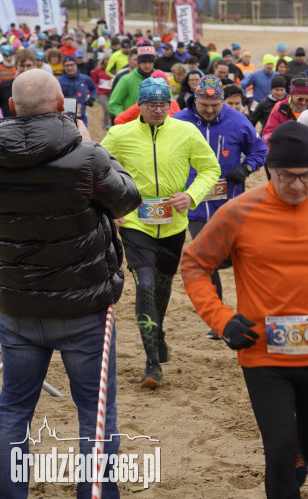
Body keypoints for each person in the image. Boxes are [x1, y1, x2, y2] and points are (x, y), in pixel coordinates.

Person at [180, 121, 308, 499]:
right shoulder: (239, 211)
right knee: (277, 450)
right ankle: (287, 456)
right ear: (269, 170)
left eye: (306, 175)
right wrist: (222, 320)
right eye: (287, 176)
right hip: (262, 352)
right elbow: (194, 265)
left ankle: (303, 451)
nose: (298, 185)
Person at [0, 70, 141, 499]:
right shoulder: (87, 155)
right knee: (95, 415)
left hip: (17, 305)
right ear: (63, 105)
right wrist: (93, 146)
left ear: (11, 108)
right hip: (84, 307)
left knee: (13, 410)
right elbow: (127, 199)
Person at [101, 77, 221, 388]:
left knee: (163, 287)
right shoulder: (120, 134)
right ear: (140, 106)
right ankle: (152, 363)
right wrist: (112, 207)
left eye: (163, 104)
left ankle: (158, 332)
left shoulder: (186, 132)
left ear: (170, 105)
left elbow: (211, 169)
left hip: (173, 224)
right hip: (136, 223)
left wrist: (191, 196)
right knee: (145, 285)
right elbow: (97, 170)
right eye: (152, 104)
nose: (158, 109)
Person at [173, 75, 267, 337]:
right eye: (204, 105)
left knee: (240, 257)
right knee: (207, 260)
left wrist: (245, 169)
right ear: (195, 100)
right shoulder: (179, 121)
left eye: (215, 105)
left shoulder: (238, 120)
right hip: (195, 205)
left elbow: (260, 150)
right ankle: (219, 319)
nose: (210, 110)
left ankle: (251, 310)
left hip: (231, 205)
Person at [261, 76, 308, 146]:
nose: (303, 102)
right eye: (300, 99)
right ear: (292, 95)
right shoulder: (280, 109)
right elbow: (267, 135)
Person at [109, 44, 159, 117]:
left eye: (150, 62)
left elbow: (169, 102)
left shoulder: (160, 78)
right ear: (139, 62)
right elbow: (113, 104)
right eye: (144, 62)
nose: (147, 65)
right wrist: (125, 118)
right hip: (133, 122)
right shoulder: (126, 79)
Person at [58, 55, 97, 126]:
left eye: (72, 65)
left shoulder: (85, 79)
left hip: (81, 116)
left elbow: (93, 88)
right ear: (63, 67)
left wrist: (91, 98)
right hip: (65, 117)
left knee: (82, 132)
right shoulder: (59, 81)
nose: (70, 68)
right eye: (67, 65)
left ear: (76, 65)